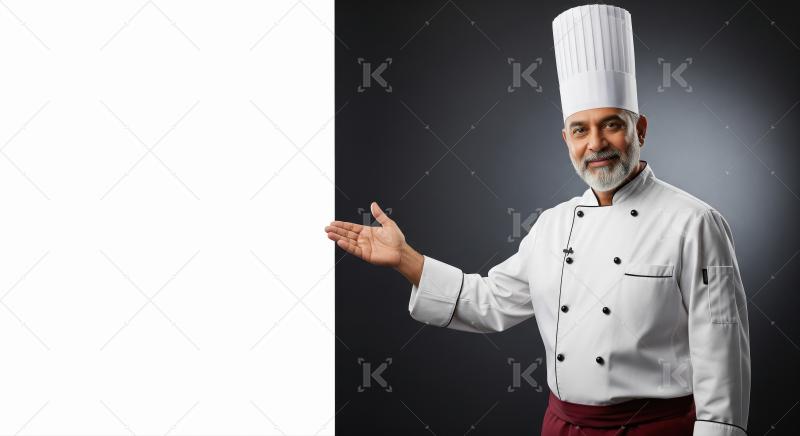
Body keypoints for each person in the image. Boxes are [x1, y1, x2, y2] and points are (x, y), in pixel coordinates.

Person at [325, 4, 750, 436]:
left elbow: (722, 352)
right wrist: (406, 260)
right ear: (567, 140)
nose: (597, 143)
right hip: (562, 426)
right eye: (581, 130)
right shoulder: (552, 224)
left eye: (611, 125)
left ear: (639, 129)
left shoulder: (694, 222)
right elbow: (489, 301)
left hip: (655, 429)